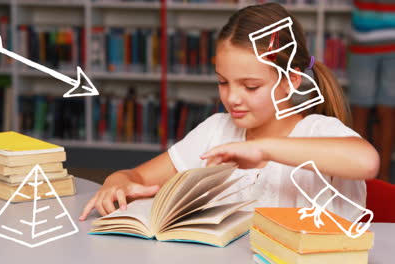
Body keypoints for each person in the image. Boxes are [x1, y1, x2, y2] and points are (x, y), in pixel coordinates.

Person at [79, 3, 379, 222]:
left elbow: (366, 161)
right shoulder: (217, 129)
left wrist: (261, 149)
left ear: (290, 82)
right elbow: (136, 176)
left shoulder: (317, 131)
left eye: (250, 86)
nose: (232, 98)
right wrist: (116, 181)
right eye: (223, 82)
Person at [348, 0, 395, 183]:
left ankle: (369, 177)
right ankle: (374, 177)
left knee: (366, 110)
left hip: (365, 38)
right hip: (369, 41)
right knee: (380, 111)